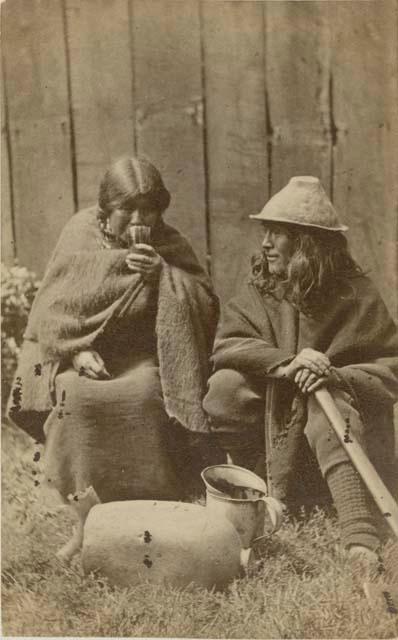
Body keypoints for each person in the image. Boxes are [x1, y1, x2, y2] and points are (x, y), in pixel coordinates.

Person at [203, 176, 398, 560]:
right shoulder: (262, 287)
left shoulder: (356, 294)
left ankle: (359, 533)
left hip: (340, 426)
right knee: (225, 388)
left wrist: (333, 375)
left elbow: (390, 367)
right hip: (272, 424)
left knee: (327, 404)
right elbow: (228, 344)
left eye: (277, 233)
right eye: (266, 231)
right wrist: (287, 364)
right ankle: (260, 488)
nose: (265, 243)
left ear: (307, 242)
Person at [8, 155, 219, 503]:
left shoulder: (169, 243)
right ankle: (72, 493)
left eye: (148, 209)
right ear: (107, 209)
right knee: (75, 396)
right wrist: (76, 352)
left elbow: (206, 303)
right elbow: (51, 311)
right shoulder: (80, 234)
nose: (139, 219)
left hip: (142, 357)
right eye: (127, 209)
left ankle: (148, 492)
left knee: (144, 393)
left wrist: (164, 276)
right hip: (82, 356)